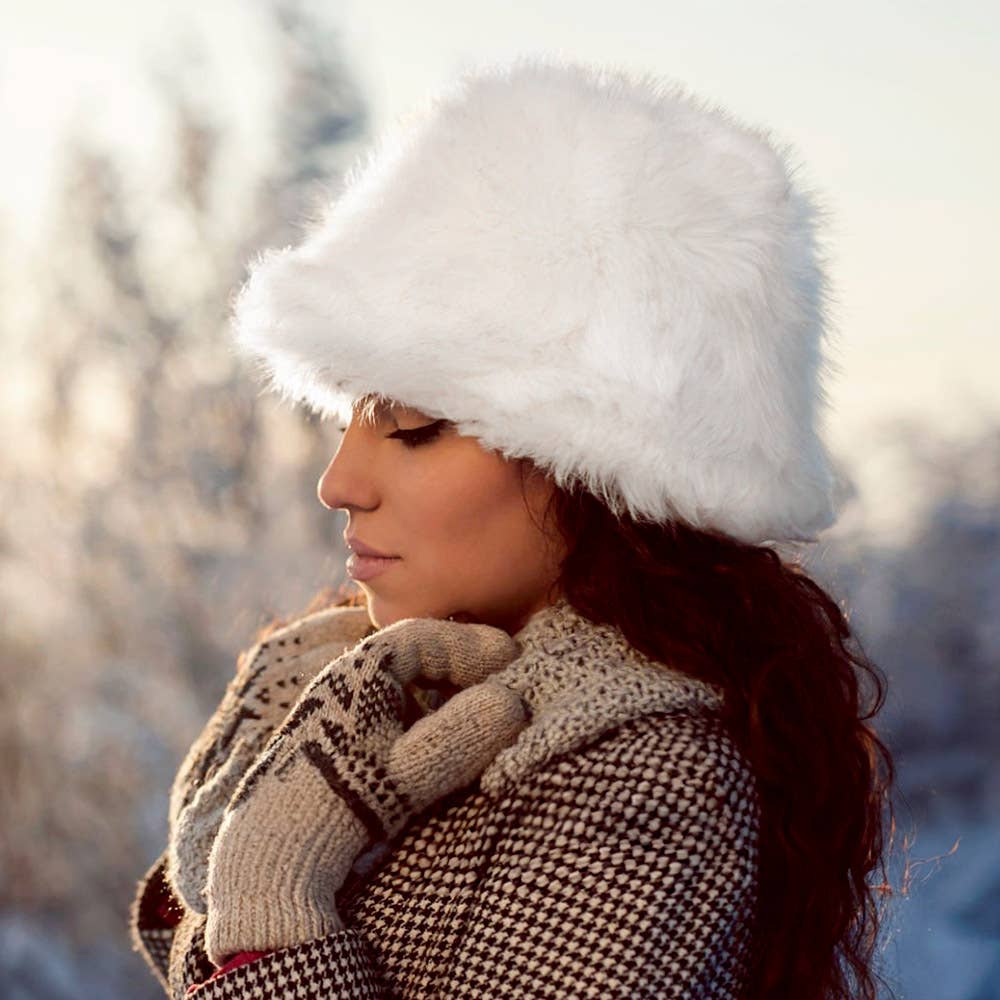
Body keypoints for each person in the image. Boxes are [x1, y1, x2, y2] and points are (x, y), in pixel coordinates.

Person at [130, 52, 896, 999]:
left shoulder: (645, 778)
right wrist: (229, 816)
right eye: (348, 420)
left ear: (600, 465)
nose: (339, 482)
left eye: (414, 427)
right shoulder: (386, 686)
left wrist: (271, 903)